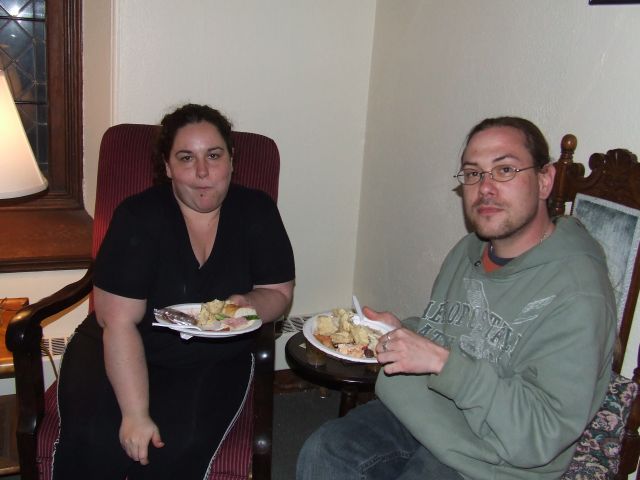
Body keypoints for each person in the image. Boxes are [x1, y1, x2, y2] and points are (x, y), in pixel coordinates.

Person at [297, 117, 616, 480]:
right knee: (324, 452)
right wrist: (403, 331)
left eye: (505, 170)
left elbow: (540, 434)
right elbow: (455, 332)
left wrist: (443, 364)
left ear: (545, 180)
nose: (485, 188)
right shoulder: (470, 250)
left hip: (494, 458)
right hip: (429, 414)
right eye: (473, 173)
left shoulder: (578, 294)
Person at [53, 104, 295, 480]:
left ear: (231, 160)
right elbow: (118, 323)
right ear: (167, 167)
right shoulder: (138, 216)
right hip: (120, 348)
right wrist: (135, 414)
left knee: (178, 446)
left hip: (213, 358)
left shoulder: (257, 211)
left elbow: (277, 292)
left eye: (213, 155)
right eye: (186, 158)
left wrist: (249, 305)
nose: (202, 172)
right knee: (95, 440)